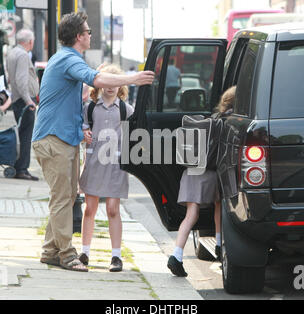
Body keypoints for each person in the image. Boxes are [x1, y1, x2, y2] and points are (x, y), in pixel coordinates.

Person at [31, 12, 154, 272]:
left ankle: (51, 250)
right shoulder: (67, 59)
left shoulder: (67, 59)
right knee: (63, 198)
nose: (90, 35)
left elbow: (82, 91)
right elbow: (97, 81)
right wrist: (133, 78)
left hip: (63, 138)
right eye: (88, 32)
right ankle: (66, 254)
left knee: (64, 196)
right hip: (54, 139)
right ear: (79, 36)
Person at [167, 86, 236, 277]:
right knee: (219, 205)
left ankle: (177, 255)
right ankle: (219, 245)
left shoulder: (212, 120)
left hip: (190, 172)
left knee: (191, 215)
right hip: (210, 175)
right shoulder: (230, 122)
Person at [78, 64, 133, 272]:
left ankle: (116, 256)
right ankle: (84, 252)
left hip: (116, 166)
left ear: (120, 86)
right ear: (100, 84)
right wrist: (84, 134)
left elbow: (135, 134)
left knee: (112, 209)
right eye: (106, 82)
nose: (110, 87)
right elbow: (82, 128)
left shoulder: (126, 109)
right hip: (93, 163)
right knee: (90, 209)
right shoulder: (90, 107)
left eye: (114, 83)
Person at [7, 29, 39, 181]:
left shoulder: (13, 53)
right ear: (30, 42)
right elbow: (21, 79)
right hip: (24, 100)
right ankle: (22, 169)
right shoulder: (23, 55)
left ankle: (19, 166)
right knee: (26, 136)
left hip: (17, 99)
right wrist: (29, 100)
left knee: (22, 135)